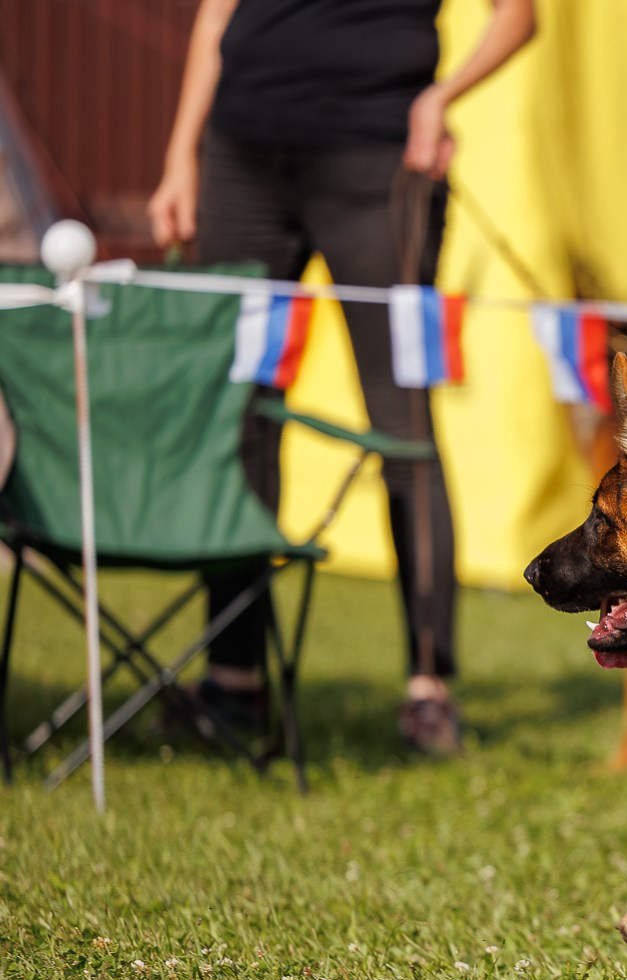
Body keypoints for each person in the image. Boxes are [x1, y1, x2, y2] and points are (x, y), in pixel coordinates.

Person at [147, 0, 536, 756]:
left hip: (378, 161)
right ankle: (233, 680)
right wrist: (180, 156)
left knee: (404, 428)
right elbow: (214, 17)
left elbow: (518, 17)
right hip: (243, 157)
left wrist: (441, 96)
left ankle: (429, 685)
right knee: (239, 420)